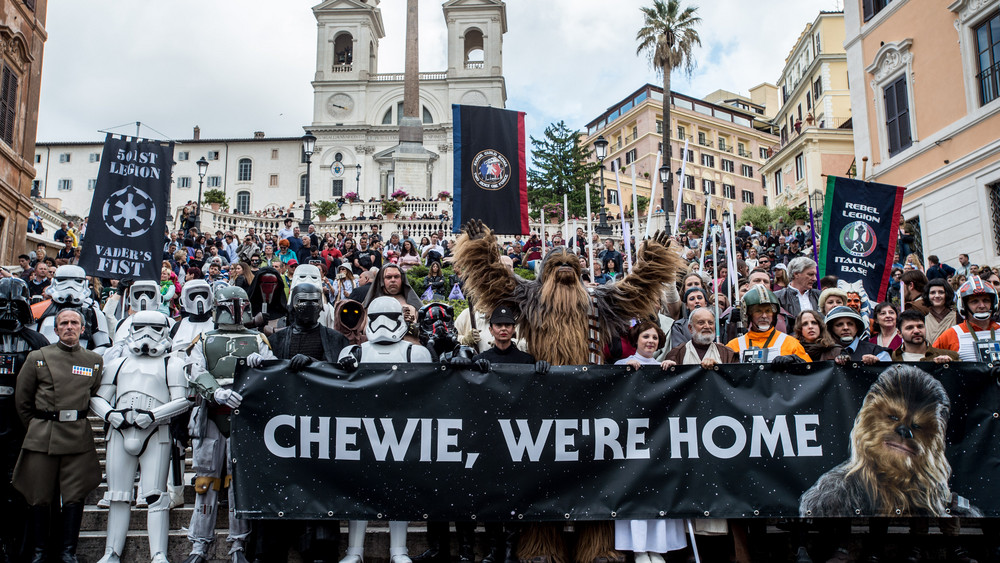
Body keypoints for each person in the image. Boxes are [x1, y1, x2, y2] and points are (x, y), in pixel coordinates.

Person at [251, 283, 350, 563]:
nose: (307, 307)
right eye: (302, 301)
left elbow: (346, 376)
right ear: (292, 303)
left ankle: (318, 546)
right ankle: (270, 548)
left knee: (318, 490)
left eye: (313, 301)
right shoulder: (276, 340)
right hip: (280, 427)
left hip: (320, 428)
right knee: (276, 488)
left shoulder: (335, 340)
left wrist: (315, 365)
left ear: (321, 305)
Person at [182, 287, 275, 563]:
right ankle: (199, 546)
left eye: (239, 305)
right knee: (205, 482)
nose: (235, 310)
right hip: (210, 413)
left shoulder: (258, 338)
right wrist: (215, 391)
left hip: (245, 416)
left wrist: (261, 368)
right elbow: (194, 370)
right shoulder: (204, 338)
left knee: (239, 484)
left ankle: (238, 546)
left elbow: (273, 372)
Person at [337, 297, 432, 563]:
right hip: (362, 430)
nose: (382, 324)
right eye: (377, 317)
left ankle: (398, 549)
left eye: (390, 316)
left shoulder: (416, 352)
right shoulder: (353, 352)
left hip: (402, 429)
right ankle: (354, 550)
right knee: (360, 489)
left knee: (398, 487)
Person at [92, 311, 191, 563]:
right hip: (120, 430)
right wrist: (111, 415)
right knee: (118, 495)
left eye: (154, 327)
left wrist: (154, 415)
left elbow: (182, 400)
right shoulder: (117, 363)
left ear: (166, 331)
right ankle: (111, 551)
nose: (147, 332)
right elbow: (98, 398)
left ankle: (158, 553)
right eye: (141, 326)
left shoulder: (173, 363)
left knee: (156, 495)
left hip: (156, 432)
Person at [14, 309, 103, 563]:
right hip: (44, 435)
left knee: (74, 496)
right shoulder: (38, 357)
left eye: (74, 323)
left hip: (76, 436)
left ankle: (68, 552)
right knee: (39, 495)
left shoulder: (94, 361)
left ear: (83, 328)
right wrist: (38, 426)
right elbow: (23, 401)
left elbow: (92, 393)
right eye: (63, 323)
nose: (69, 327)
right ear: (55, 330)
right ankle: (41, 551)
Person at [612, 319, 688, 563]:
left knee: (658, 493)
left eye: (654, 338)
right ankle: (638, 548)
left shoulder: (663, 366)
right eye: (646, 337)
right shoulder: (622, 364)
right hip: (631, 441)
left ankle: (657, 548)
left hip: (659, 442)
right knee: (635, 493)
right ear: (636, 340)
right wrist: (624, 370)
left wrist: (670, 371)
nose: (650, 341)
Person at [726, 285, 811, 363]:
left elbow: (810, 373)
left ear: (774, 315)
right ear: (748, 315)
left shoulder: (791, 344)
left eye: (768, 311)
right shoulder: (734, 346)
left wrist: (796, 362)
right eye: (758, 311)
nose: (764, 316)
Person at [933, 275, 1000, 362]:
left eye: (986, 300)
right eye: (974, 301)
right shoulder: (951, 334)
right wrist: (938, 360)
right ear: (964, 305)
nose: (982, 306)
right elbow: (928, 360)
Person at [663, 307, 739, 367]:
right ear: (690, 328)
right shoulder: (677, 354)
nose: (707, 326)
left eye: (710, 323)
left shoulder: (727, 354)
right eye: (701, 322)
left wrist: (717, 368)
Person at [826, 306, 890, 365]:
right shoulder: (823, 352)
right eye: (839, 324)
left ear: (857, 327)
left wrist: (878, 364)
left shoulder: (877, 352)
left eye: (850, 324)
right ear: (831, 329)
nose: (845, 328)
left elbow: (891, 374)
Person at [892, 309, 957, 363]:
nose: (916, 331)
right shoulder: (891, 359)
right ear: (899, 333)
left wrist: (950, 365)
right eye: (909, 328)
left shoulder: (949, 356)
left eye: (920, 326)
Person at [774, 257, 819, 334]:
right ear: (796, 274)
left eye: (815, 275)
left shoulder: (820, 296)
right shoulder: (777, 297)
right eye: (811, 274)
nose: (815, 279)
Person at [922, 278, 958, 344]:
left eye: (941, 292)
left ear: (947, 294)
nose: (937, 296)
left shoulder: (958, 318)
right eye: (933, 293)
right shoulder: (923, 320)